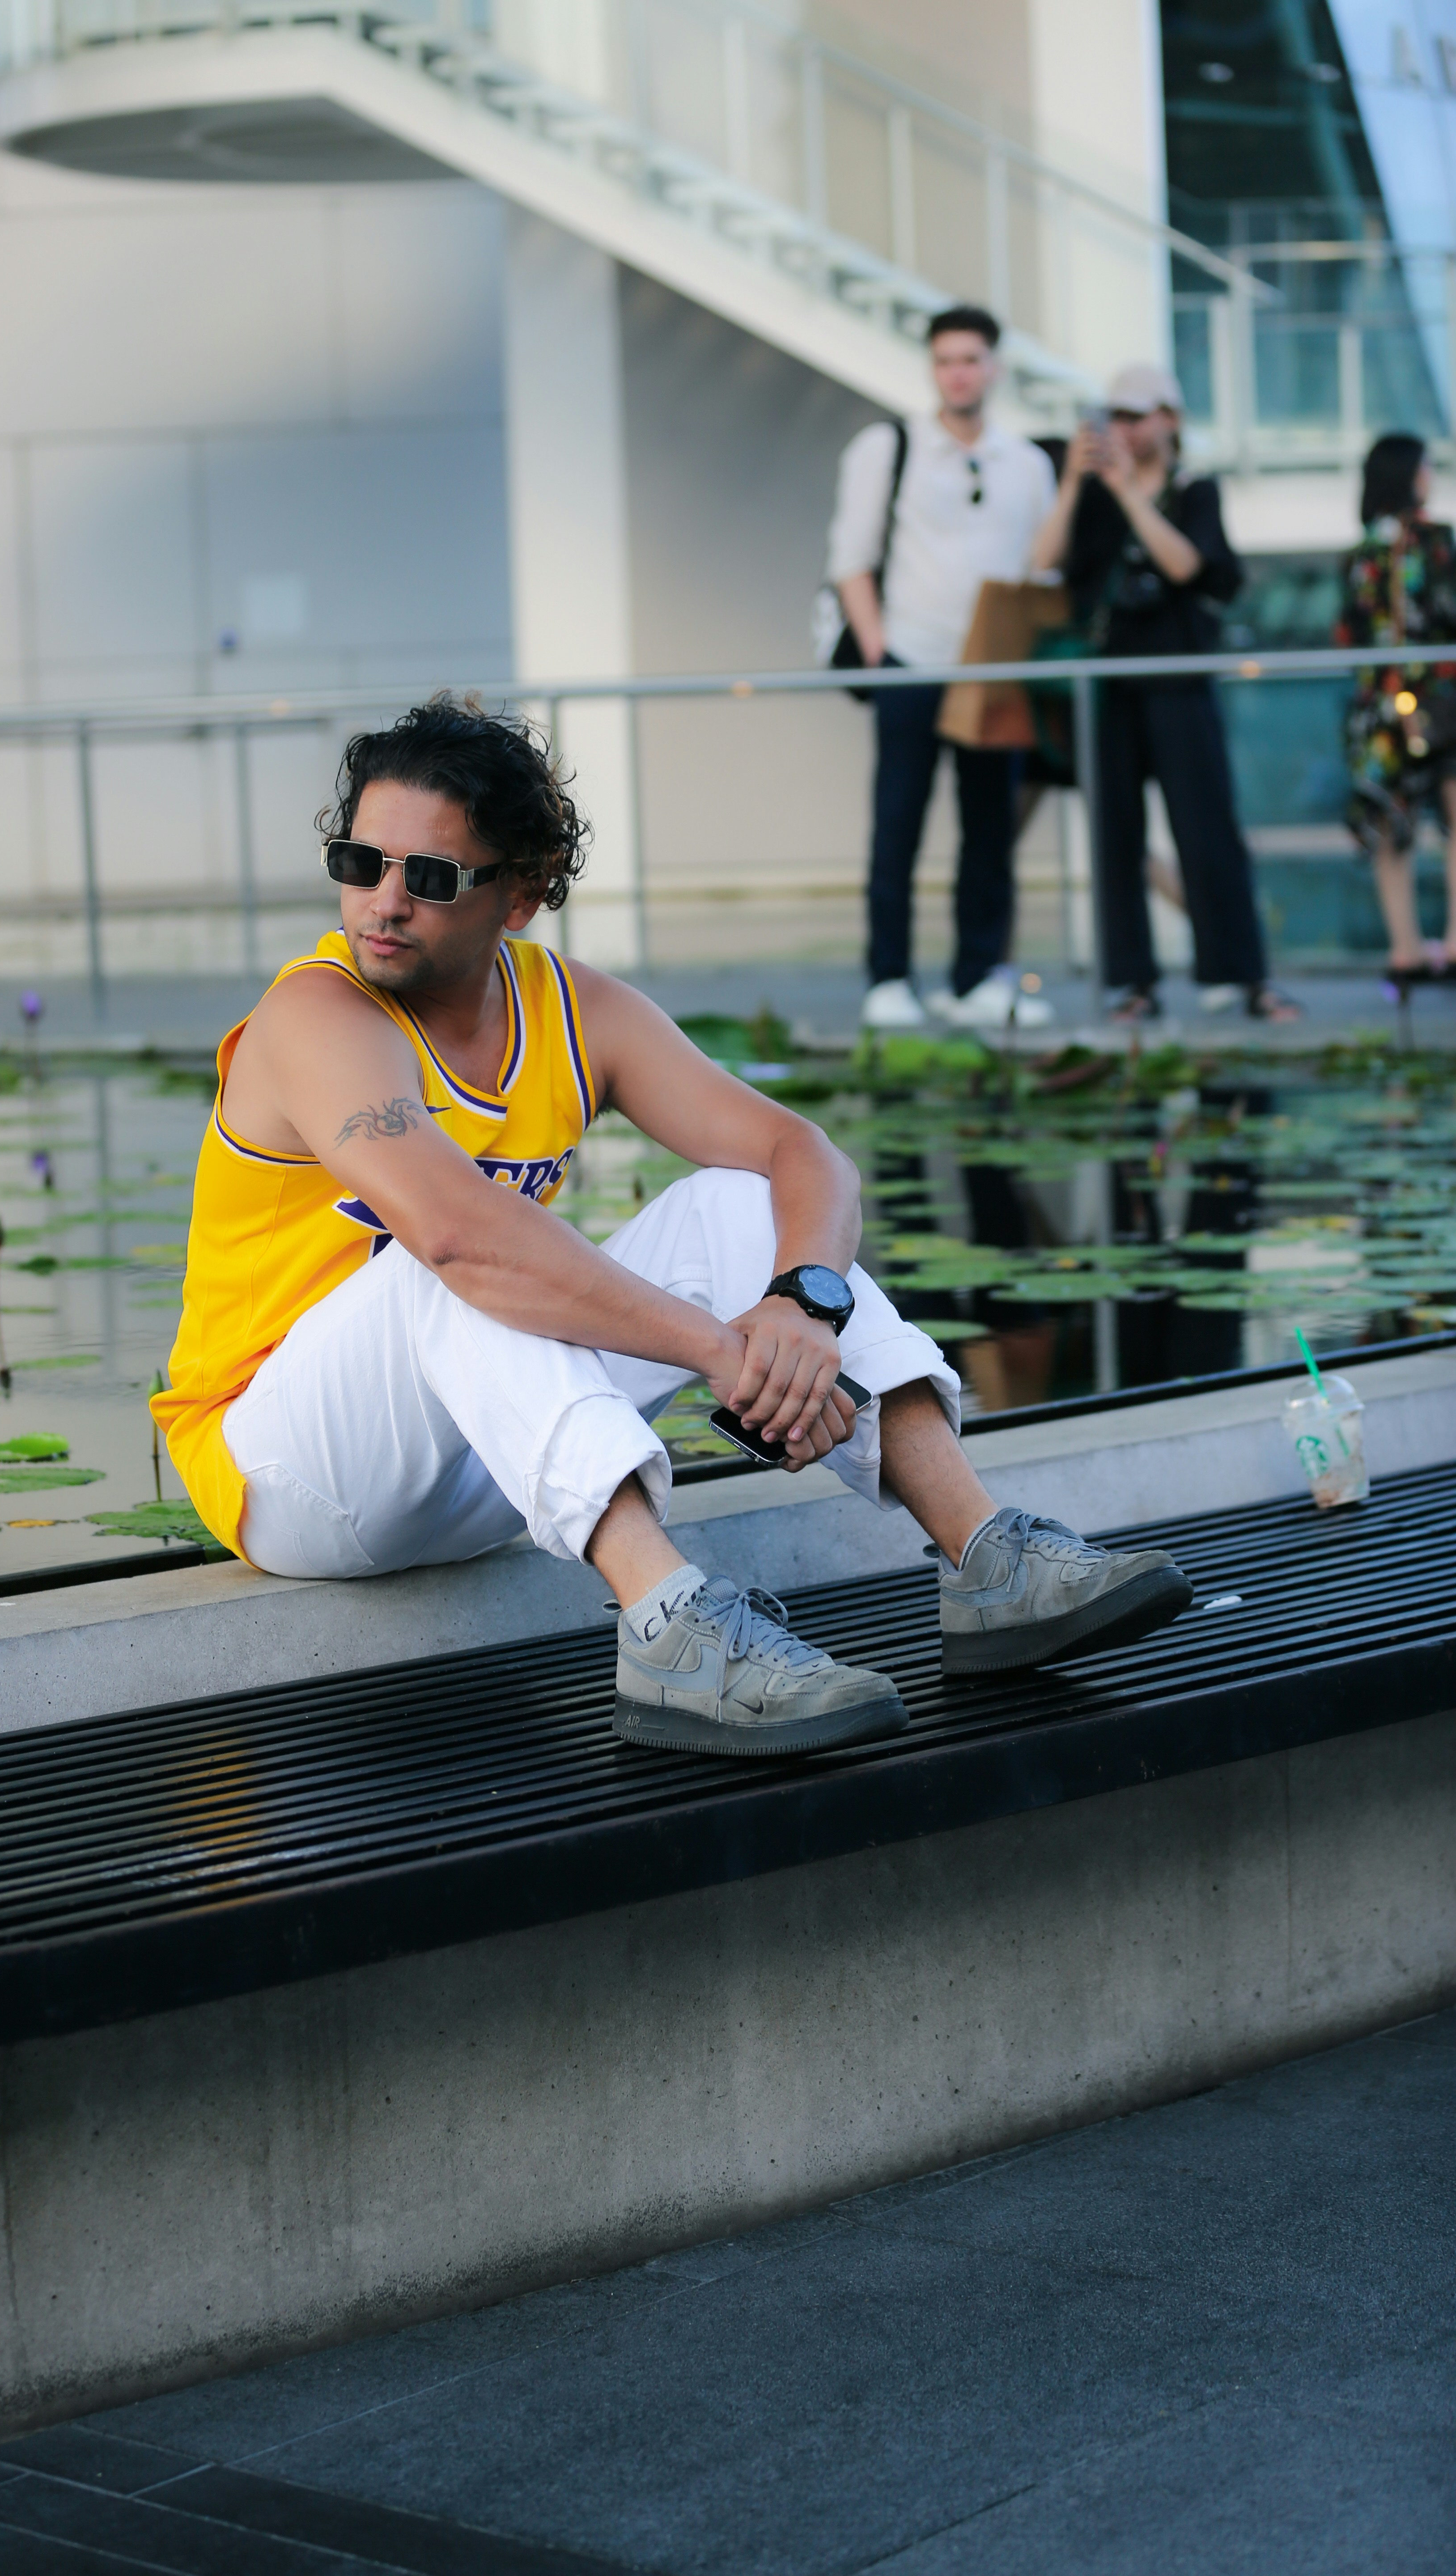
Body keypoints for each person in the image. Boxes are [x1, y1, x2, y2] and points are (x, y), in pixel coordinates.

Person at [152, 698, 1191, 1759]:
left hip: (484, 1457)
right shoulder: (316, 1015)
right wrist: (726, 1352)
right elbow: (459, 1238)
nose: (381, 902)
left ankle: (989, 1558)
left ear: (521, 890)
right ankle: (668, 1625)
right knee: (458, 1257)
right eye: (359, 860)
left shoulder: (572, 1009)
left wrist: (801, 1306)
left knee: (737, 1202)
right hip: (284, 1467)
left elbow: (805, 1155)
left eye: (427, 877)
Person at [1032, 362, 1298, 1025]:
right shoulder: (1091, 493)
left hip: (1179, 679)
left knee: (1207, 831)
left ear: (1169, 419)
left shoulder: (1192, 490)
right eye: (1113, 417)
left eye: (1134, 415)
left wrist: (1129, 494)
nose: (1121, 429)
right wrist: (1074, 482)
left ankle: (1244, 977)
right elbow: (1043, 562)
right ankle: (1133, 983)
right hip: (1109, 685)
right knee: (1116, 837)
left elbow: (1189, 567)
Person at [826, 304, 1057, 1032]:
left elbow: (1039, 571)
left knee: (991, 832)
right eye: (946, 360)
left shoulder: (1028, 463)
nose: (958, 372)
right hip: (912, 663)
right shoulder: (889, 446)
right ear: (934, 368)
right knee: (898, 825)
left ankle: (979, 976)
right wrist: (879, 653)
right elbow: (851, 561)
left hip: (993, 671)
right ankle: (888, 977)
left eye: (971, 359)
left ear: (994, 367)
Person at [1334, 431, 1456, 982]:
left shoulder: (1361, 554)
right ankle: (1453, 944)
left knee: (1390, 830)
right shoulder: (1435, 542)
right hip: (1438, 700)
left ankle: (1404, 951)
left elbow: (1346, 633)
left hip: (1378, 707)